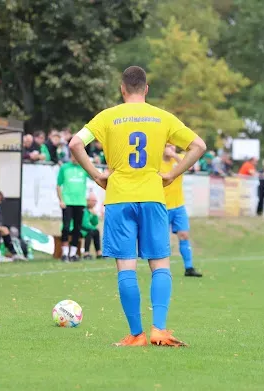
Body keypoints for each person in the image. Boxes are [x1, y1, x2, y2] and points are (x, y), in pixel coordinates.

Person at [69, 66, 206, 347]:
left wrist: (97, 175)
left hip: (120, 198)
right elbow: (198, 145)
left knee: (127, 267)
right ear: (146, 89)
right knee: (160, 265)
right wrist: (172, 174)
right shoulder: (162, 117)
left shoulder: (108, 116)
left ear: (122, 89)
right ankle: (160, 330)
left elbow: (75, 143)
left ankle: (136, 334)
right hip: (154, 197)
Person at [160, 144, 202, 277]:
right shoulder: (156, 162)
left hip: (179, 205)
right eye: (167, 146)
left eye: (172, 146)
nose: (170, 148)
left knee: (184, 235)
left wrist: (174, 156)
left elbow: (190, 167)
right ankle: (162, 269)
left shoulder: (179, 158)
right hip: (162, 206)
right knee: (163, 239)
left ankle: (188, 267)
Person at [57, 154, 89, 262]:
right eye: (74, 156)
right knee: (66, 227)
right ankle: (64, 253)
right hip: (68, 202)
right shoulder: (64, 168)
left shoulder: (84, 168)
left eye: (77, 156)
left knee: (77, 228)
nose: (75, 158)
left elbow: (95, 176)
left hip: (80, 202)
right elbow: (58, 185)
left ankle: (73, 253)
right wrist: (61, 200)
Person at [81, 192, 102, 260]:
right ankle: (86, 253)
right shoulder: (83, 209)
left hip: (84, 228)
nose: (94, 203)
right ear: (87, 200)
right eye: (93, 201)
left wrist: (94, 215)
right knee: (90, 231)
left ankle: (98, 253)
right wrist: (93, 228)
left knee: (96, 231)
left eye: (95, 201)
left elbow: (94, 223)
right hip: (76, 228)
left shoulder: (90, 210)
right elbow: (84, 224)